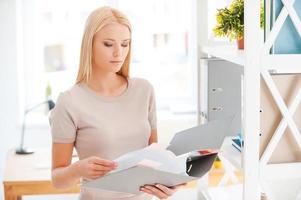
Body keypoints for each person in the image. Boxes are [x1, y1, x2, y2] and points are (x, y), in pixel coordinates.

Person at [49, 6, 182, 200]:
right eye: (108, 44)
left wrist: (167, 185)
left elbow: (155, 160)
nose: (119, 53)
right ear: (90, 44)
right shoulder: (69, 102)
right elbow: (57, 180)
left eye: (125, 44)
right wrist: (78, 169)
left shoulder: (144, 90)